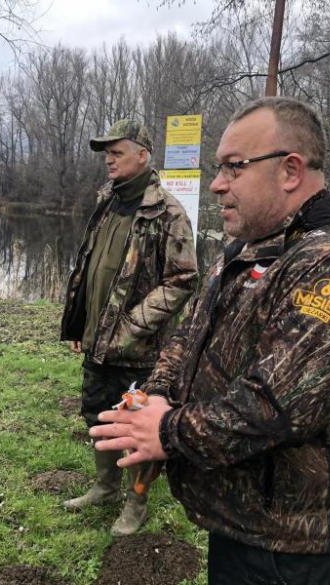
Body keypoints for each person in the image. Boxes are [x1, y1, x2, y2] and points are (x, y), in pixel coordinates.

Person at [91, 98, 330, 583]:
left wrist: (167, 432)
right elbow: (188, 336)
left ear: (290, 170)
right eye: (219, 169)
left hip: (304, 550)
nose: (217, 184)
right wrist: (154, 398)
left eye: (233, 168)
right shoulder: (249, 248)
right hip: (243, 524)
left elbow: (276, 406)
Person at [60, 119, 199, 537]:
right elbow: (90, 266)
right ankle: (105, 488)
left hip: (139, 350)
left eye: (117, 153)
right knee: (97, 414)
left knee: (138, 426)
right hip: (97, 344)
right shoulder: (107, 202)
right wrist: (79, 324)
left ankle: (136, 504)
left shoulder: (168, 211)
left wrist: (132, 326)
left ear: (143, 155)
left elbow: (183, 279)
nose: (109, 161)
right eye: (107, 154)